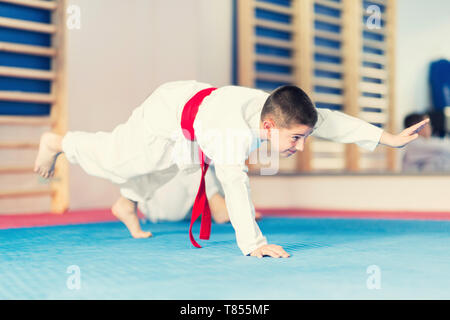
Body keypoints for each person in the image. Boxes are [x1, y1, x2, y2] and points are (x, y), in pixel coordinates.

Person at [34, 80, 429, 258]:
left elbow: (332, 121)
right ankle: (60, 143)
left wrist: (388, 138)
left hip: (198, 111)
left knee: (181, 165)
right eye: (295, 139)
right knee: (120, 158)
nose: (301, 145)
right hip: (167, 110)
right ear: (270, 127)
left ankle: (127, 203)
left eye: (304, 138)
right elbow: (237, 186)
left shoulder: (281, 114)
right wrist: (253, 243)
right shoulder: (233, 136)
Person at [114, 167, 263, 238]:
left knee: (221, 166)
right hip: (160, 207)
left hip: (190, 207)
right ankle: (218, 207)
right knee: (190, 160)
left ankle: (218, 205)